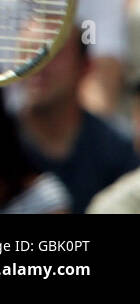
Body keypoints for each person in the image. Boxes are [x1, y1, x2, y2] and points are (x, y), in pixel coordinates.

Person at [16, 22, 138, 213]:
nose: (37, 64)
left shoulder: (122, 149)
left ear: (85, 66)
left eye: (54, 53)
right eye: (28, 52)